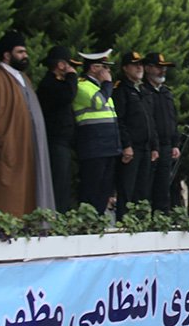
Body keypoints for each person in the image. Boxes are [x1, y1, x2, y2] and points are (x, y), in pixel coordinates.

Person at [0, 31, 54, 216]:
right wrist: (7, 143)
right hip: (10, 149)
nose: (25, 56)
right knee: (9, 194)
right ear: (7, 55)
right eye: (20, 52)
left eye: (25, 52)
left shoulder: (23, 78)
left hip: (28, 148)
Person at [73, 50, 120, 215]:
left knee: (104, 190)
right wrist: (107, 83)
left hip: (108, 146)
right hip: (93, 145)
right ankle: (87, 221)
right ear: (94, 68)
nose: (108, 71)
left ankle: (98, 219)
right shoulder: (82, 85)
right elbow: (98, 103)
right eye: (105, 67)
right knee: (91, 188)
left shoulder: (101, 88)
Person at [112, 50, 158, 219]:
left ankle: (140, 222)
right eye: (135, 65)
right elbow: (120, 120)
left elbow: (150, 120)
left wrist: (154, 146)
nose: (139, 68)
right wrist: (126, 145)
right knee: (127, 189)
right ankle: (124, 222)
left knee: (142, 190)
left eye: (141, 65)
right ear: (125, 68)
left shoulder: (143, 90)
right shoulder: (121, 89)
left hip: (146, 148)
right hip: (132, 148)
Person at [37, 46, 81, 211]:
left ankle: (63, 212)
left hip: (64, 141)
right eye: (70, 65)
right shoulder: (50, 84)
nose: (73, 69)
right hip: (56, 140)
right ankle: (57, 214)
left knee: (65, 182)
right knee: (59, 182)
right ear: (61, 65)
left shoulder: (58, 83)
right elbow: (68, 95)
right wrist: (72, 76)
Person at [143, 52, 180, 211]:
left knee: (163, 189)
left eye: (164, 68)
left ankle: (162, 216)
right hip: (151, 147)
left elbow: (173, 119)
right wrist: (154, 145)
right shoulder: (143, 91)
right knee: (146, 187)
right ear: (147, 68)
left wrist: (175, 144)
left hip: (167, 147)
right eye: (158, 67)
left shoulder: (166, 92)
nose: (162, 71)